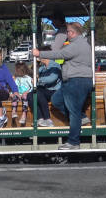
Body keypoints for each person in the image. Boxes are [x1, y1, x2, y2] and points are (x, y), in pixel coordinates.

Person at [33, 22, 92, 150]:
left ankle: (74, 142)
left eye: (68, 32)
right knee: (56, 99)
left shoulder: (77, 45)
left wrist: (40, 54)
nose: (66, 34)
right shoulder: (80, 44)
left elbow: (59, 54)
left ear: (73, 32)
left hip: (77, 81)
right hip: (73, 81)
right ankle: (82, 118)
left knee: (73, 111)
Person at [27, 46, 62, 127]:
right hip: (44, 91)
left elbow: (52, 78)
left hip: (54, 91)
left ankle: (47, 119)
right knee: (30, 95)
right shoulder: (42, 68)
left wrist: (38, 80)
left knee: (38, 93)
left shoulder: (55, 65)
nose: (38, 56)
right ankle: (40, 118)